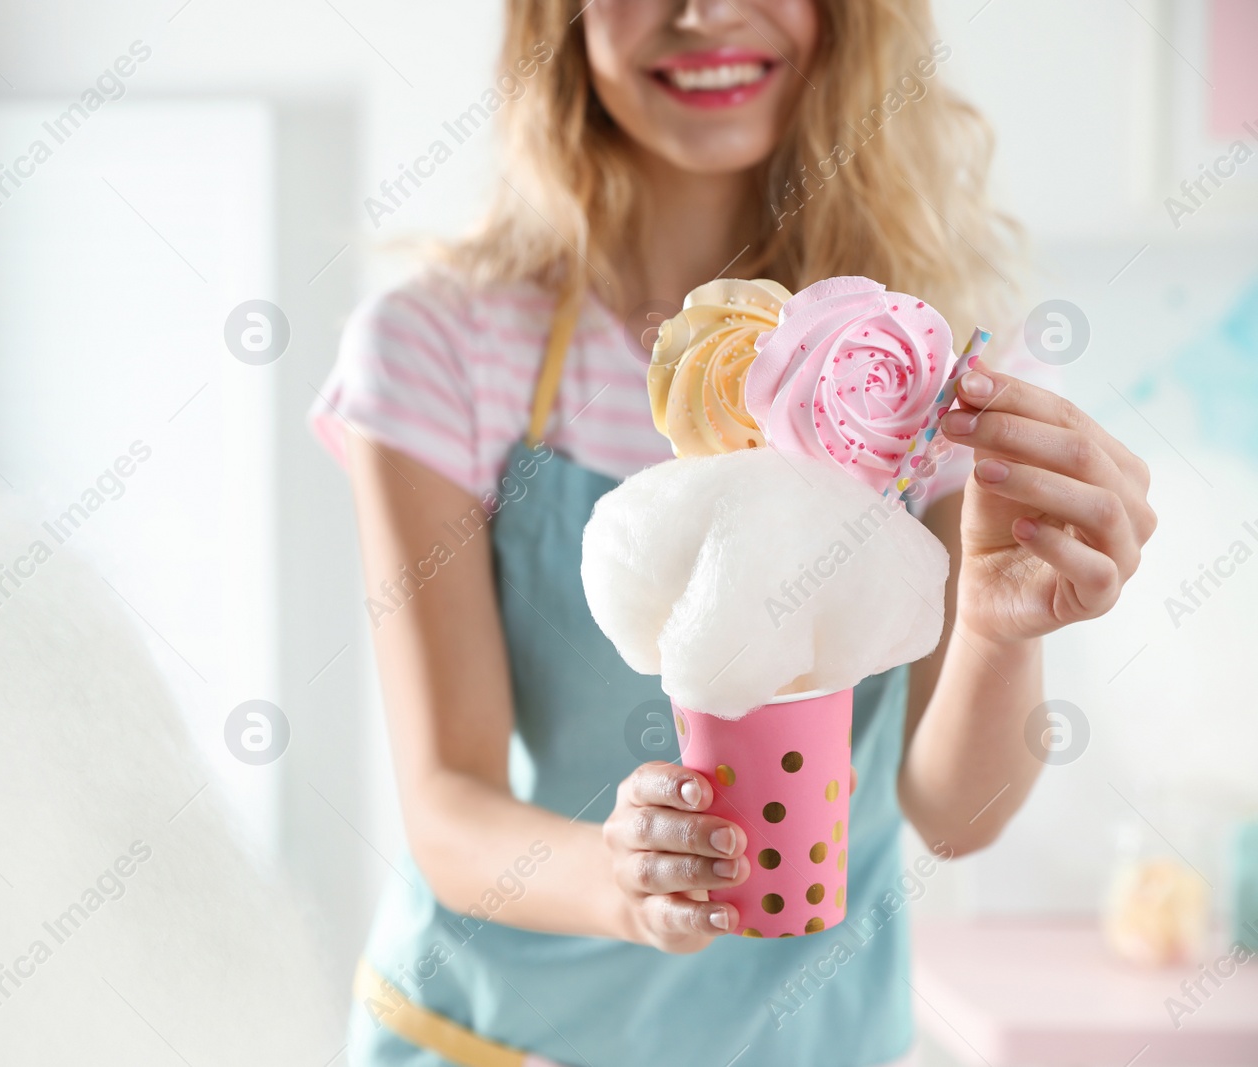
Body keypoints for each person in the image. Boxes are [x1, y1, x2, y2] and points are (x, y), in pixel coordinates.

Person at [311, 1, 1156, 1063]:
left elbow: (954, 814)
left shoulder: (930, 362)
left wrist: (996, 628)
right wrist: (628, 879)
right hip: (490, 1034)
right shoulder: (440, 344)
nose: (703, 13)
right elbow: (448, 807)